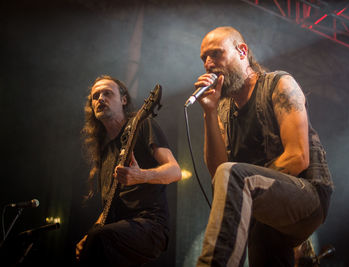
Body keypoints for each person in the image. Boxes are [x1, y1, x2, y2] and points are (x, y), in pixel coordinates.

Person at [194, 26, 334, 266]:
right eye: (204, 58)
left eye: (216, 54)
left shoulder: (279, 84)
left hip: (307, 197)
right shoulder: (223, 111)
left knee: (234, 175)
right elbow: (219, 174)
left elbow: (298, 157)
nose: (208, 63)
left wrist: (244, 185)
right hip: (263, 216)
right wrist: (209, 112)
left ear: (242, 51)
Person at [76, 75, 182, 266]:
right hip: (116, 230)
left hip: (151, 226)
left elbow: (175, 171)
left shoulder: (142, 125)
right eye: (95, 96)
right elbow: (109, 206)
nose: (100, 98)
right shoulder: (105, 153)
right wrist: (89, 234)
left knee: (99, 239)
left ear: (124, 100)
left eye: (107, 93)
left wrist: (141, 175)